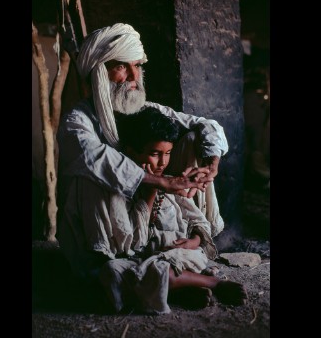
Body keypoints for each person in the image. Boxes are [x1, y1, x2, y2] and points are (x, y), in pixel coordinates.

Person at [56, 23, 229, 309]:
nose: (134, 78)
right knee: (92, 174)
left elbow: (205, 125)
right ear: (99, 71)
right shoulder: (78, 121)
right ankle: (149, 271)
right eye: (123, 67)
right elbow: (95, 157)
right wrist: (163, 183)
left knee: (193, 137)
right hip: (108, 233)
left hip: (151, 222)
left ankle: (168, 265)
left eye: (137, 66)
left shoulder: (144, 110)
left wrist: (211, 165)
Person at [92, 106, 246, 313]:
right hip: (141, 259)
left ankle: (214, 283)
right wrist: (151, 190)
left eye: (168, 154)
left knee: (160, 268)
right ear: (130, 152)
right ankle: (180, 289)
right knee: (112, 271)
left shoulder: (172, 184)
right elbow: (135, 241)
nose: (163, 163)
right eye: (155, 154)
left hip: (179, 255)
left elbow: (198, 221)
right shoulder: (123, 191)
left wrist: (194, 241)